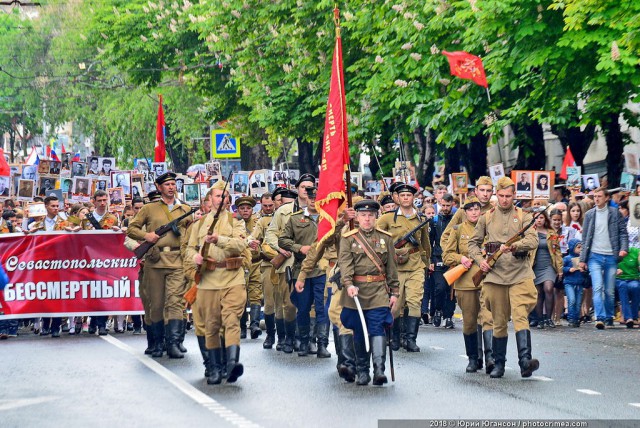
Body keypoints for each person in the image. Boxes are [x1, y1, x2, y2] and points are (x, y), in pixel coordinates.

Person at [468, 177, 539, 379]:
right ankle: (499, 363)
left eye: (509, 196)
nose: (505, 200)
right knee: (498, 320)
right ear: (496, 195)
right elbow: (473, 243)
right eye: (501, 196)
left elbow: (533, 240)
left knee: (520, 315)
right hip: (495, 275)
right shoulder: (487, 217)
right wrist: (480, 260)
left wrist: (515, 246)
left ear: (514, 195)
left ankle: (525, 361)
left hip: (519, 273)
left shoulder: (523, 216)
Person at [185, 180, 248, 384]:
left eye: (225, 196)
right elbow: (189, 249)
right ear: (209, 199)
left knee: (231, 320)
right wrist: (194, 257)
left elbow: (240, 245)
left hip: (232, 278)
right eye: (218, 196)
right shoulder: (199, 224)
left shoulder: (235, 221)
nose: (222, 199)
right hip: (208, 280)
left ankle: (232, 364)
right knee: (211, 326)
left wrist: (219, 239)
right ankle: (214, 367)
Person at [127, 172, 194, 358]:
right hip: (155, 261)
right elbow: (131, 229)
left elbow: (191, 235)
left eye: (173, 184)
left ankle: (173, 343)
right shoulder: (149, 209)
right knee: (155, 304)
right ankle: (156, 343)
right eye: (167, 184)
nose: (171, 187)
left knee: (175, 302)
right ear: (159, 187)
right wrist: (146, 236)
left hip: (177, 260)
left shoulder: (185, 209)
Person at [338, 199, 399, 386]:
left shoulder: (385, 238)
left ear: (376, 216)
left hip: (379, 291)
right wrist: (348, 284)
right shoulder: (349, 238)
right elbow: (345, 265)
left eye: (370, 215)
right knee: (359, 330)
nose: (367, 219)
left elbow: (391, 267)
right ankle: (362, 371)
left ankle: (379, 369)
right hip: (356, 292)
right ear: (357, 217)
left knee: (377, 327)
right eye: (363, 215)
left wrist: (394, 292)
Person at [442, 196, 495, 373]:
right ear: (465, 212)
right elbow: (447, 255)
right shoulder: (458, 230)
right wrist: (460, 258)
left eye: (476, 209)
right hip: (465, 282)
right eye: (470, 209)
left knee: (488, 318)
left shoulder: (488, 229)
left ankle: (490, 358)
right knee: (470, 322)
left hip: (487, 279)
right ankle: (473, 358)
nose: (474, 212)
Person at [376, 183, 431, 352]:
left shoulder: (421, 219)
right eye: (403, 195)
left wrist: (426, 264)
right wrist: (389, 252)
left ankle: (410, 339)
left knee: (415, 302)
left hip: (415, 264)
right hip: (395, 267)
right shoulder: (387, 218)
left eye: (409, 195)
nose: (406, 198)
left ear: (413, 198)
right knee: (396, 305)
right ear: (397, 198)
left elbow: (425, 244)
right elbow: (376, 240)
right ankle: (394, 337)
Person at [281, 184, 330, 357]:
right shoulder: (295, 219)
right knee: (302, 308)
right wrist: (299, 247)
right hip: (301, 269)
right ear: (305, 199)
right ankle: (304, 341)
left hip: (323, 270)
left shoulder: (328, 219)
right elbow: (283, 240)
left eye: (316, 199)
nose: (313, 201)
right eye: (310, 198)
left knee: (322, 307)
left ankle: (322, 343)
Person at [264, 177, 310, 353]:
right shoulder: (283, 211)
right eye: (303, 187)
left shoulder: (317, 210)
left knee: (309, 303)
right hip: (289, 262)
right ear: (297, 188)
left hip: (310, 263)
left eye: (310, 187)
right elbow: (271, 235)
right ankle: (289, 338)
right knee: (289, 304)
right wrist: (280, 249)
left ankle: (307, 339)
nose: (306, 190)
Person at [579, 187, 628, 329]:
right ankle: (599, 317)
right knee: (598, 286)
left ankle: (608, 316)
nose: (596, 198)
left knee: (609, 290)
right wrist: (583, 259)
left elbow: (623, 233)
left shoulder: (615, 213)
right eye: (595, 196)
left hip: (611, 255)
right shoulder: (589, 214)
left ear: (607, 198)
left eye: (599, 196)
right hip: (594, 255)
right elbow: (585, 238)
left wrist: (623, 249)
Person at [29, 196, 70, 337]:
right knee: (46, 295)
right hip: (43, 265)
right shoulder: (37, 225)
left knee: (57, 295)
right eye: (53, 206)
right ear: (46, 206)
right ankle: (45, 325)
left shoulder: (65, 223)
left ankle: (55, 327)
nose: (56, 208)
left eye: (57, 206)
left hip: (59, 264)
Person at [247, 193, 278, 348]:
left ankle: (287, 336)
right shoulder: (260, 221)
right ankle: (270, 336)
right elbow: (253, 236)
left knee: (287, 303)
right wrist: (251, 242)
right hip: (267, 264)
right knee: (269, 302)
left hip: (286, 262)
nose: (267, 208)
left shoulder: (283, 216)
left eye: (270, 205)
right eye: (264, 206)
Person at [235, 196, 263, 340]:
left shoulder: (258, 223)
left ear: (252, 210)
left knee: (255, 293)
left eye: (248, 208)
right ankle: (241, 327)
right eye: (242, 208)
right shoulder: (234, 224)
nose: (245, 211)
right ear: (238, 210)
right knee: (240, 295)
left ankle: (254, 325)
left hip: (256, 262)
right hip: (241, 264)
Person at [531, 210, 563, 329]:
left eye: (541, 218)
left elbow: (558, 252)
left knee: (548, 288)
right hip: (534, 266)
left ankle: (549, 318)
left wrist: (560, 270)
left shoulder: (551, 233)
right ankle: (540, 319)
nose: (539, 220)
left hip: (549, 265)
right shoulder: (530, 233)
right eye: (536, 218)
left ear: (545, 219)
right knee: (538, 293)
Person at [429, 193, 456, 328]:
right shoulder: (434, 221)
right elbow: (429, 242)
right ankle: (438, 310)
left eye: (447, 205)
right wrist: (430, 261)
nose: (445, 208)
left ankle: (449, 316)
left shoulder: (456, 220)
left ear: (452, 204)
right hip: (438, 257)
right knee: (439, 288)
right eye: (443, 205)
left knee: (451, 290)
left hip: (453, 259)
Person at [563, 239, 588, 327]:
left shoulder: (582, 260)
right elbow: (562, 268)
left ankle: (576, 318)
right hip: (569, 282)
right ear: (572, 248)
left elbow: (586, 272)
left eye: (581, 248)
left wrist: (584, 270)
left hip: (579, 283)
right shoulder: (567, 258)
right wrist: (569, 269)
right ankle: (571, 318)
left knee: (578, 302)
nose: (580, 249)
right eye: (578, 247)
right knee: (572, 300)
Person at [615, 247, 640, 329]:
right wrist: (615, 269)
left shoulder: (636, 251)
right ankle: (628, 318)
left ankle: (634, 316)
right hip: (619, 278)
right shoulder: (615, 250)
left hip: (633, 278)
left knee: (636, 287)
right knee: (623, 286)